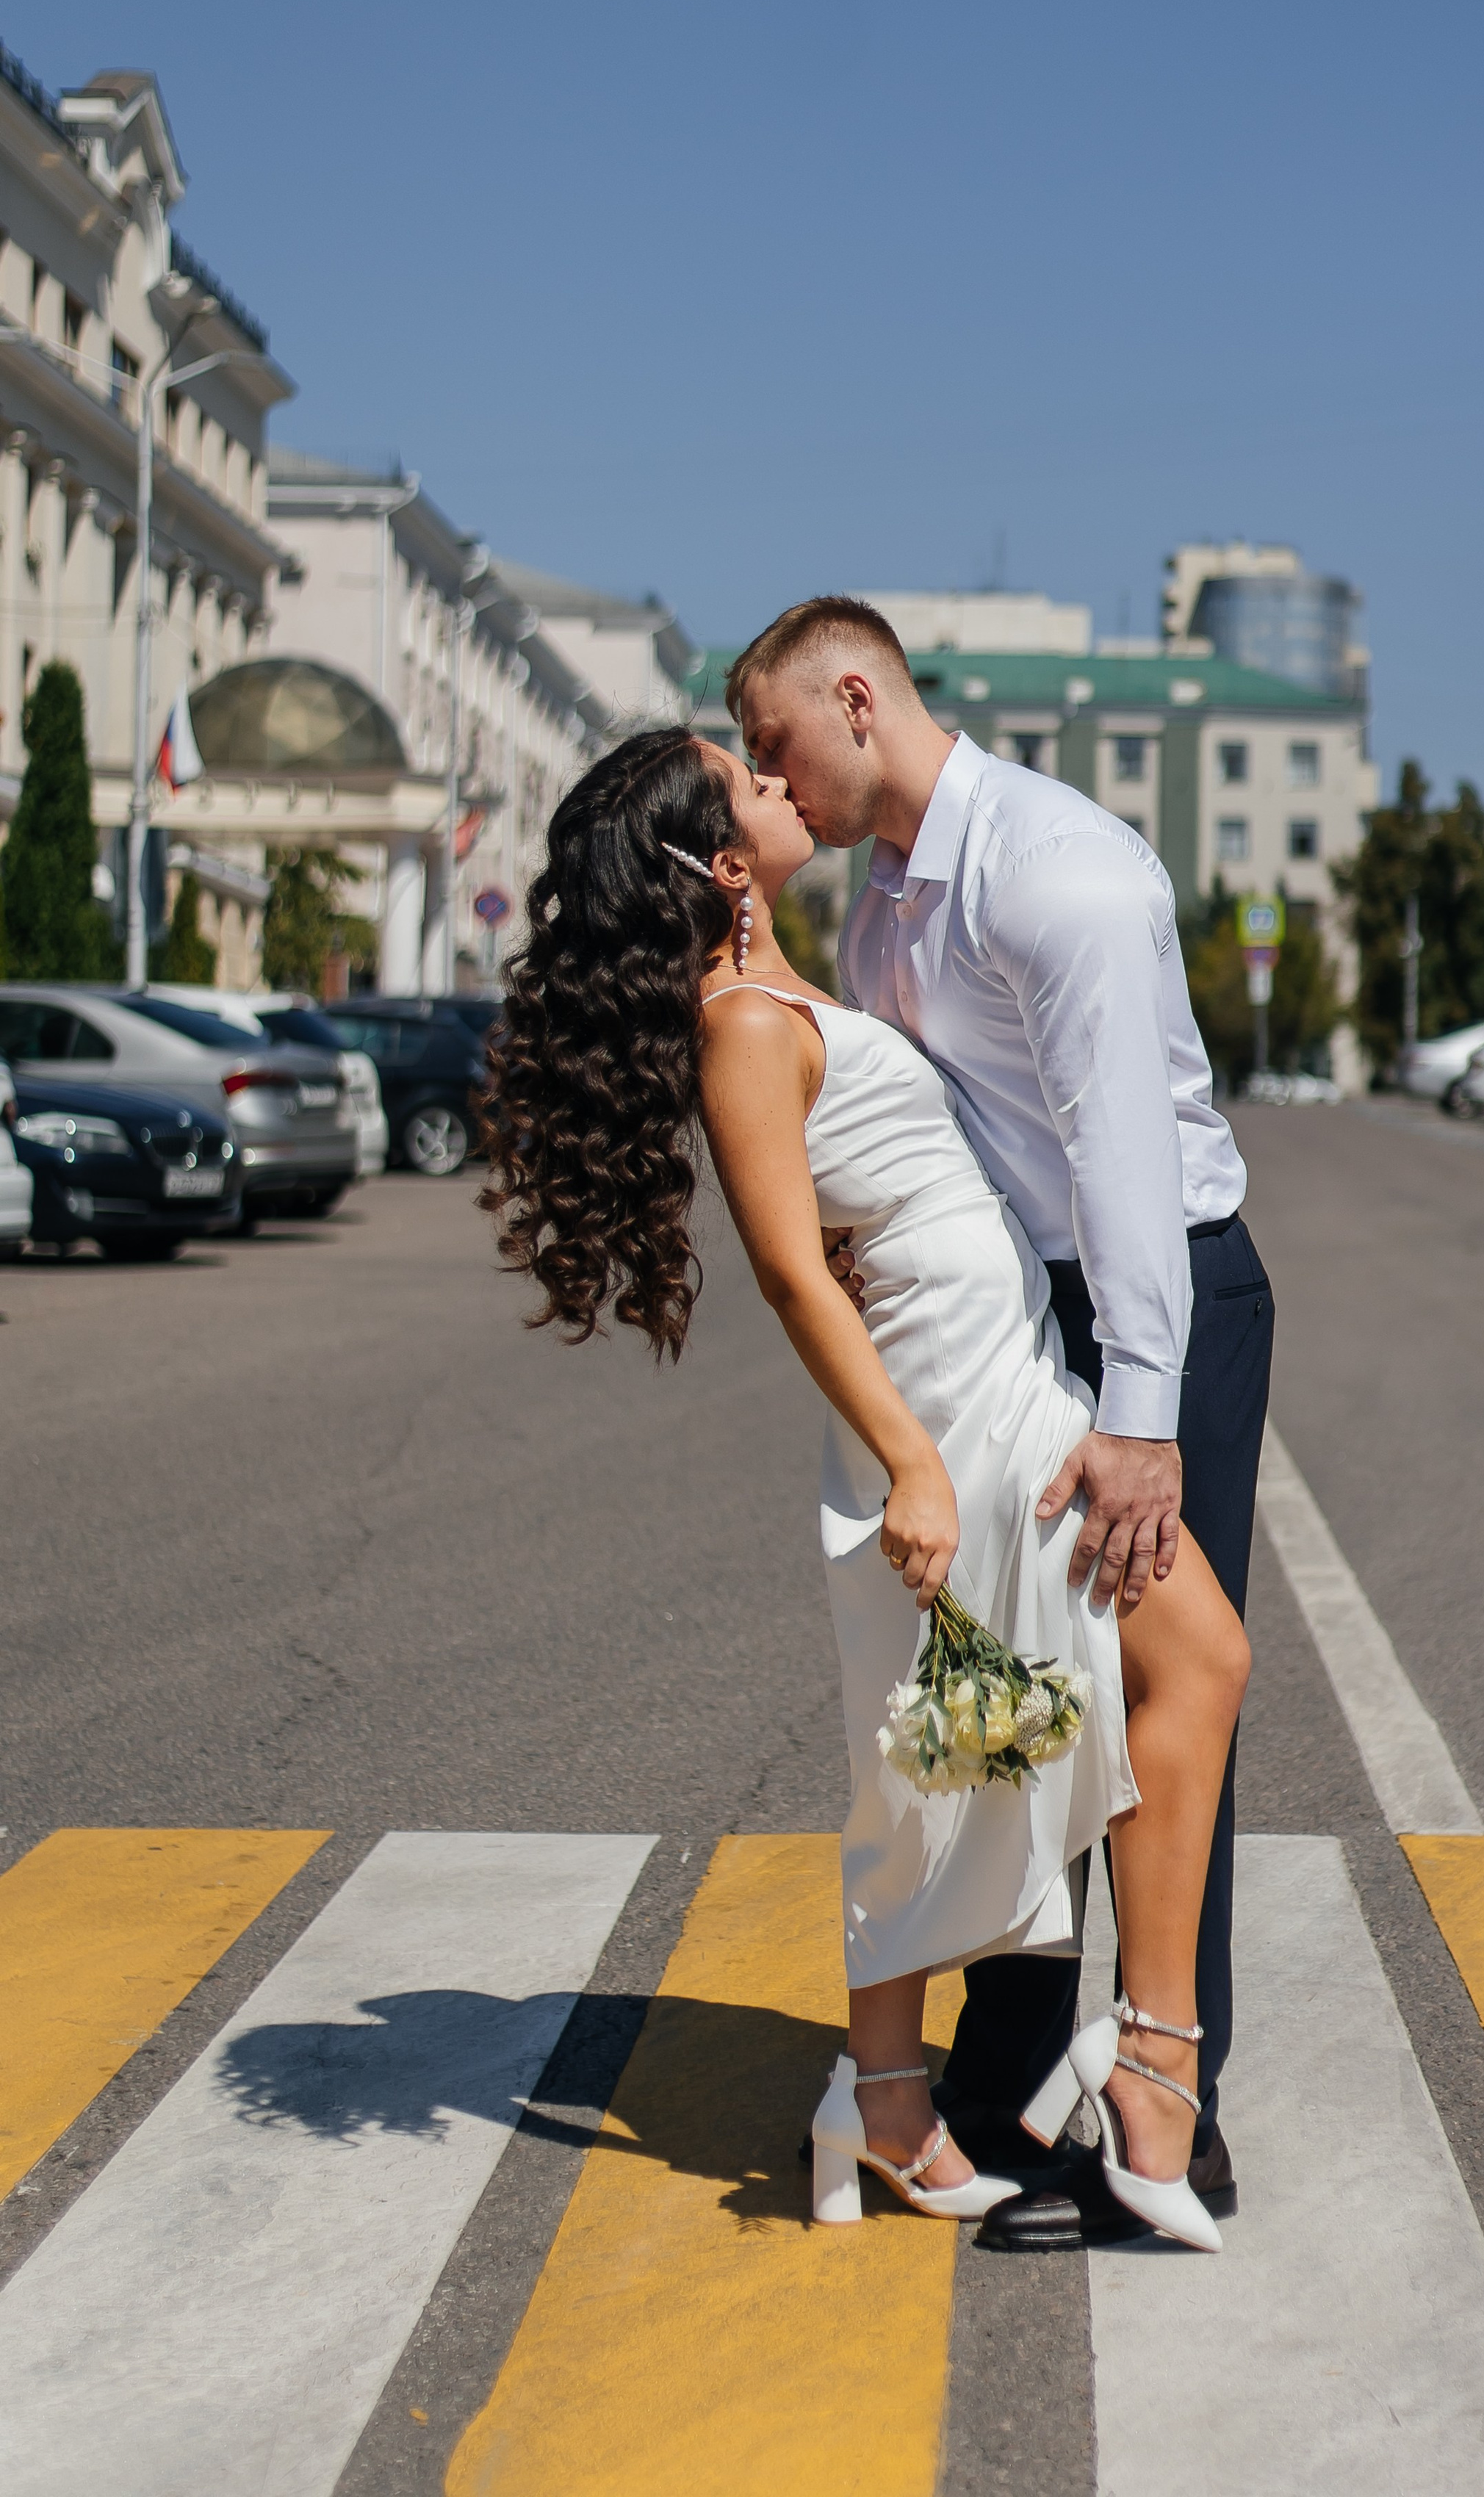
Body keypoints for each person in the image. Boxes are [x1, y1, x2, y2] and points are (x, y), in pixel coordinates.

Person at [480, 721, 1250, 2252]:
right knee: (1158, 1675)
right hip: (963, 1413)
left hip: (984, 1368)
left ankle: (893, 2094)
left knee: (957, 1750)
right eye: (749, 782)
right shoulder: (743, 1022)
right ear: (718, 862)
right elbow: (781, 1268)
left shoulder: (770, 990)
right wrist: (909, 1460)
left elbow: (842, 1196)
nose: (781, 788)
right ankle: (1140, 2067)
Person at [727, 595, 1274, 2249]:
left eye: (771, 745)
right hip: (1026, 1320)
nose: (770, 781)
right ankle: (1018, 2068)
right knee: (1035, 1696)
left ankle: (1176, 2090)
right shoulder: (889, 897)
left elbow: (1121, 1159)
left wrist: (1140, 1415)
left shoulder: (1059, 868)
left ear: (852, 695)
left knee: (1172, 1684)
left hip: (1158, 1303)